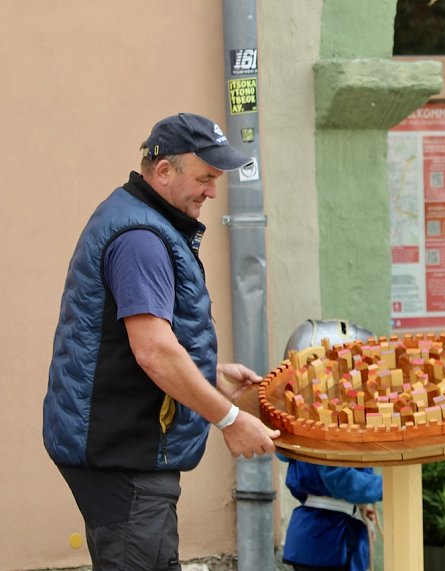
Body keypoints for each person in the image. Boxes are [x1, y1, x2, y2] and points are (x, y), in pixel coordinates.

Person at [43, 113, 281, 570]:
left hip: (119, 448)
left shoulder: (140, 219)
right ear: (164, 171)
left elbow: (125, 339)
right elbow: (152, 351)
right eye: (205, 178)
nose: (212, 191)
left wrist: (209, 373)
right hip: (125, 456)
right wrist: (229, 419)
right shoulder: (142, 239)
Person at [279, 319, 383, 571]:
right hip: (328, 536)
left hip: (322, 533)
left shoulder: (310, 422)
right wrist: (386, 487)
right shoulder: (323, 426)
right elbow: (340, 478)